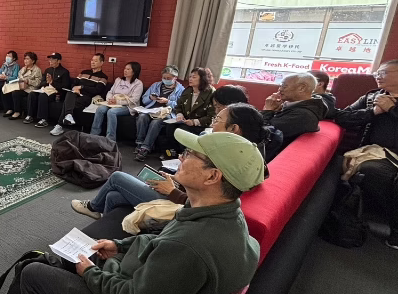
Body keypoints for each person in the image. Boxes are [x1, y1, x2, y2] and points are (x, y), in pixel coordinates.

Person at [7, 130, 263, 294]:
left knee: (33, 274)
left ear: (213, 176)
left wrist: (91, 273)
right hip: (149, 293)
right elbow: (159, 241)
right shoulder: (224, 216)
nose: (181, 157)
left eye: (190, 154)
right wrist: (119, 246)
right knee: (77, 256)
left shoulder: (190, 246)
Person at [73, 103, 280, 218]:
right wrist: (178, 179)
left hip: (177, 204)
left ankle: (93, 207)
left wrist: (172, 190)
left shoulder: (234, 160)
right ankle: (106, 227)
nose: (212, 123)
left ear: (234, 129)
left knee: (117, 177)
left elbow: (203, 205)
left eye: (217, 119)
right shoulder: (248, 154)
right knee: (113, 197)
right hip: (181, 194)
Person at [334, 59, 398, 249]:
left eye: (384, 72)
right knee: (372, 170)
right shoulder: (372, 96)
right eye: (377, 73)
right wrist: (373, 112)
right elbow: (343, 117)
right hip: (376, 155)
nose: (378, 76)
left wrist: (392, 109)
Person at [133, 65, 185, 162]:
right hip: (152, 110)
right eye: (164, 78)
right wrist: (150, 98)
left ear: (175, 78)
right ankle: (139, 143)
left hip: (166, 113)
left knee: (155, 122)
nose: (166, 80)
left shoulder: (181, 90)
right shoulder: (155, 85)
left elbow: (180, 106)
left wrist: (168, 101)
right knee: (142, 117)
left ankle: (145, 148)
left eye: (168, 78)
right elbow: (144, 100)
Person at [50, 53, 109, 136]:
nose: (92, 62)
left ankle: (60, 125)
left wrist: (82, 87)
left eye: (95, 61)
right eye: (92, 60)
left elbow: (97, 90)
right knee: (70, 93)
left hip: (88, 97)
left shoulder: (103, 77)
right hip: (76, 94)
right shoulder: (84, 72)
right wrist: (75, 88)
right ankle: (68, 116)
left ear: (102, 63)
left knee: (68, 103)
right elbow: (74, 83)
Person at [261, 72, 325, 146]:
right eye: (280, 86)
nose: (279, 90)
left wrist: (268, 110)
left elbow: (262, 133)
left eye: (284, 86)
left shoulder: (302, 115)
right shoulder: (296, 107)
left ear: (302, 88)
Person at [166, 67, 216, 153]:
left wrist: (194, 122)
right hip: (186, 121)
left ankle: (186, 154)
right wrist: (179, 114)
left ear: (203, 79)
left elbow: (212, 116)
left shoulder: (211, 93)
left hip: (201, 125)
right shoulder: (188, 90)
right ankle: (173, 152)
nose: (190, 79)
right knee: (169, 127)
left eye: (194, 77)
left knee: (183, 130)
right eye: (190, 76)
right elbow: (179, 106)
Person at [90, 61, 144, 141]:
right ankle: (94, 135)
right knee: (100, 109)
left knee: (111, 112)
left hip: (127, 106)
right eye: (125, 69)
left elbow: (134, 100)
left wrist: (117, 102)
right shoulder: (118, 80)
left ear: (134, 71)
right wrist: (109, 99)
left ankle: (110, 139)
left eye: (128, 69)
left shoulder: (138, 83)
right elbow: (110, 92)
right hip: (113, 103)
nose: (125, 71)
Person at [24, 52, 71, 127]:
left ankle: (43, 119)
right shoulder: (48, 70)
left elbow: (65, 86)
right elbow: (41, 82)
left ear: (59, 61)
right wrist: (46, 83)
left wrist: (52, 82)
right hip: (46, 89)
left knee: (43, 96)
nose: (50, 61)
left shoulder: (64, 72)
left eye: (53, 60)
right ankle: (30, 115)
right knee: (32, 94)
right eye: (50, 60)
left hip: (57, 92)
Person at [4, 52, 42, 120]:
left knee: (16, 93)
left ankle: (17, 112)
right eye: (25, 59)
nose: (25, 61)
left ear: (33, 61)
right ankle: (10, 109)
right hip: (20, 86)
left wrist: (28, 81)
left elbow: (38, 83)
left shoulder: (37, 70)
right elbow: (19, 77)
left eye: (27, 59)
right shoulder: (23, 68)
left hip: (29, 89)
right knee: (7, 88)